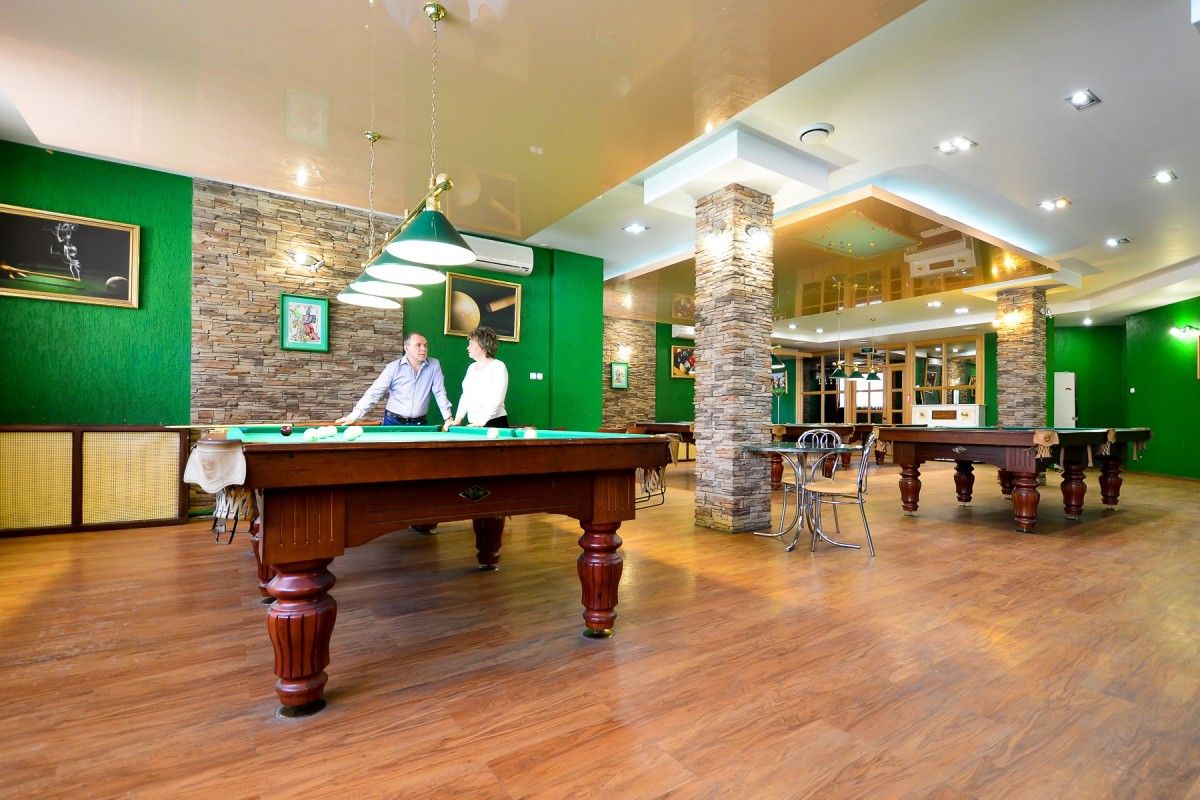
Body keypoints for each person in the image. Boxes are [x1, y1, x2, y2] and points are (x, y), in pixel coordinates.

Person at [336, 332, 453, 426]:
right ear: (406, 348)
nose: (423, 348)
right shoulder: (393, 368)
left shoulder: (434, 365)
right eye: (418, 345)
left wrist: (448, 418)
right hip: (393, 422)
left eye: (425, 345)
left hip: (420, 423)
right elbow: (374, 393)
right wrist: (353, 416)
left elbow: (439, 392)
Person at [442, 326, 509, 429]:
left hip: (494, 422)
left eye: (471, 344)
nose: (468, 348)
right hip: (474, 424)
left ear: (483, 346)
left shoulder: (498, 366)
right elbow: (465, 396)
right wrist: (458, 419)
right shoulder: (471, 368)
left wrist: (482, 421)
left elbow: (498, 397)